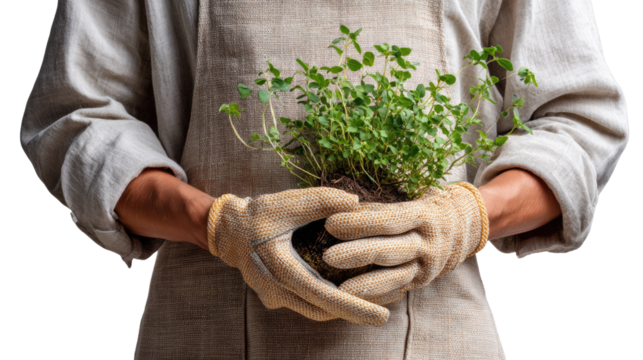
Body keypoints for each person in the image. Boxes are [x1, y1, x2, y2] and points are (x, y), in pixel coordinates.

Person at [19, 0, 628, 358]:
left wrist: (466, 218)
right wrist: (218, 226)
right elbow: (78, 115)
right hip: (208, 330)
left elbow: (578, 119)